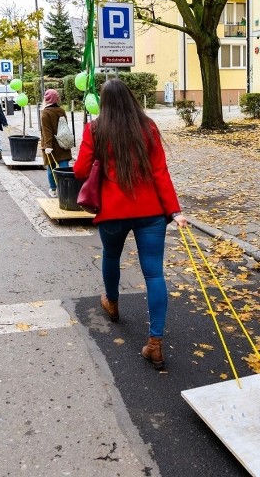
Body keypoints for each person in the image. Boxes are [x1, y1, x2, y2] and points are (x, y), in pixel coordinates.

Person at [73, 79, 189, 370]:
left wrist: (94, 151)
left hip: (113, 211)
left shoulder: (96, 129)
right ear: (131, 98)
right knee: (154, 274)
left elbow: (79, 171)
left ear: (104, 102)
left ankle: (112, 303)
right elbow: (160, 172)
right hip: (150, 211)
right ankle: (155, 343)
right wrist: (175, 211)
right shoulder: (147, 127)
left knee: (111, 256)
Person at [40, 89, 72, 198]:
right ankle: (66, 188)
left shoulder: (45, 113)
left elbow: (46, 131)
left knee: (51, 168)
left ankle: (53, 190)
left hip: (51, 145)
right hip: (62, 142)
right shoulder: (61, 111)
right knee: (64, 167)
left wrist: (48, 146)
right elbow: (64, 127)